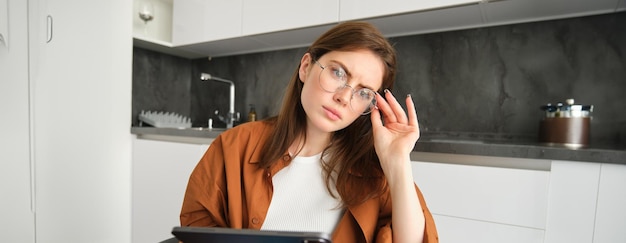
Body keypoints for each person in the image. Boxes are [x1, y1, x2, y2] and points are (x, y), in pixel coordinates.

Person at [180, 21, 438, 242]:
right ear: (306, 67)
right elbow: (196, 230)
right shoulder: (233, 146)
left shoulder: (376, 173)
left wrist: (398, 163)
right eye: (338, 72)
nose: (344, 97)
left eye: (363, 92)